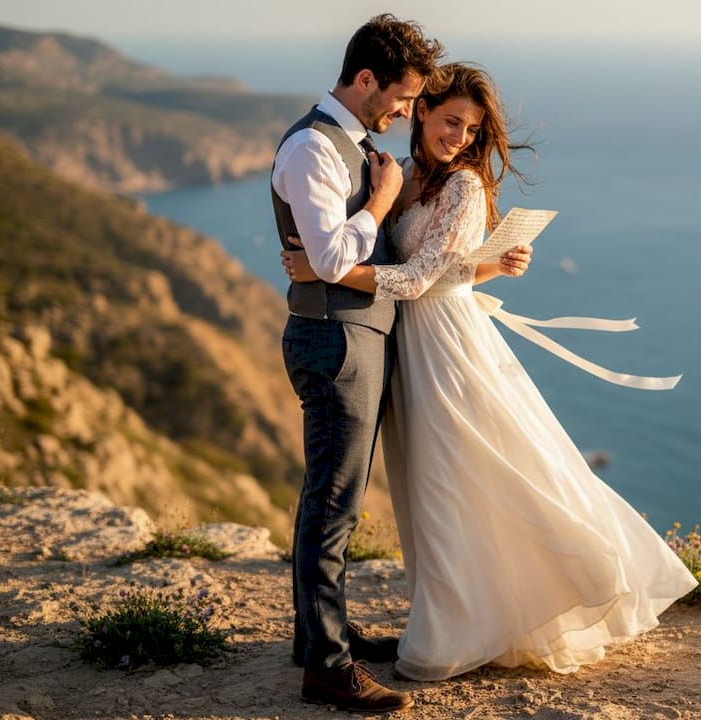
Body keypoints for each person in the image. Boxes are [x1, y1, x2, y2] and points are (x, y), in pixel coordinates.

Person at [282, 62, 697, 682]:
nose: (460, 137)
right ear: (421, 112)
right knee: (429, 486)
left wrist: (327, 269)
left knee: (457, 477)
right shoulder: (404, 172)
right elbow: (441, 267)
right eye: (451, 121)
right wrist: (487, 266)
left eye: (472, 130)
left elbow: (418, 279)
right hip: (409, 345)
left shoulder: (465, 187)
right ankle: (461, 618)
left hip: (446, 347)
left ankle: (477, 623)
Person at [270, 14, 451, 713]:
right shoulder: (313, 148)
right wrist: (379, 201)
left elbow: (334, 255)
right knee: (333, 505)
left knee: (333, 500)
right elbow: (330, 260)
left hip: (355, 335)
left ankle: (319, 637)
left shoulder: (353, 145)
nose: (406, 112)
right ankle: (326, 667)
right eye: (402, 97)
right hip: (335, 340)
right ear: (366, 79)